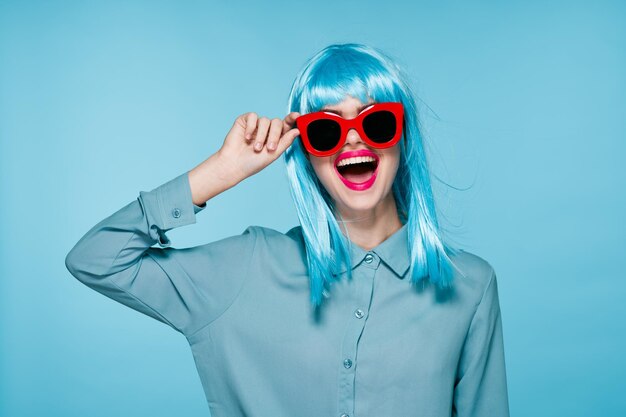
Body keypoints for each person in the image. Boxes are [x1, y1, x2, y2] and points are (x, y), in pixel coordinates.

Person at [65, 43, 510, 417]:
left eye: (375, 122)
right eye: (326, 130)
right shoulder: (247, 268)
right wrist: (218, 174)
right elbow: (96, 260)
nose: (354, 140)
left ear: (402, 137)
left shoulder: (469, 286)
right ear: (306, 153)